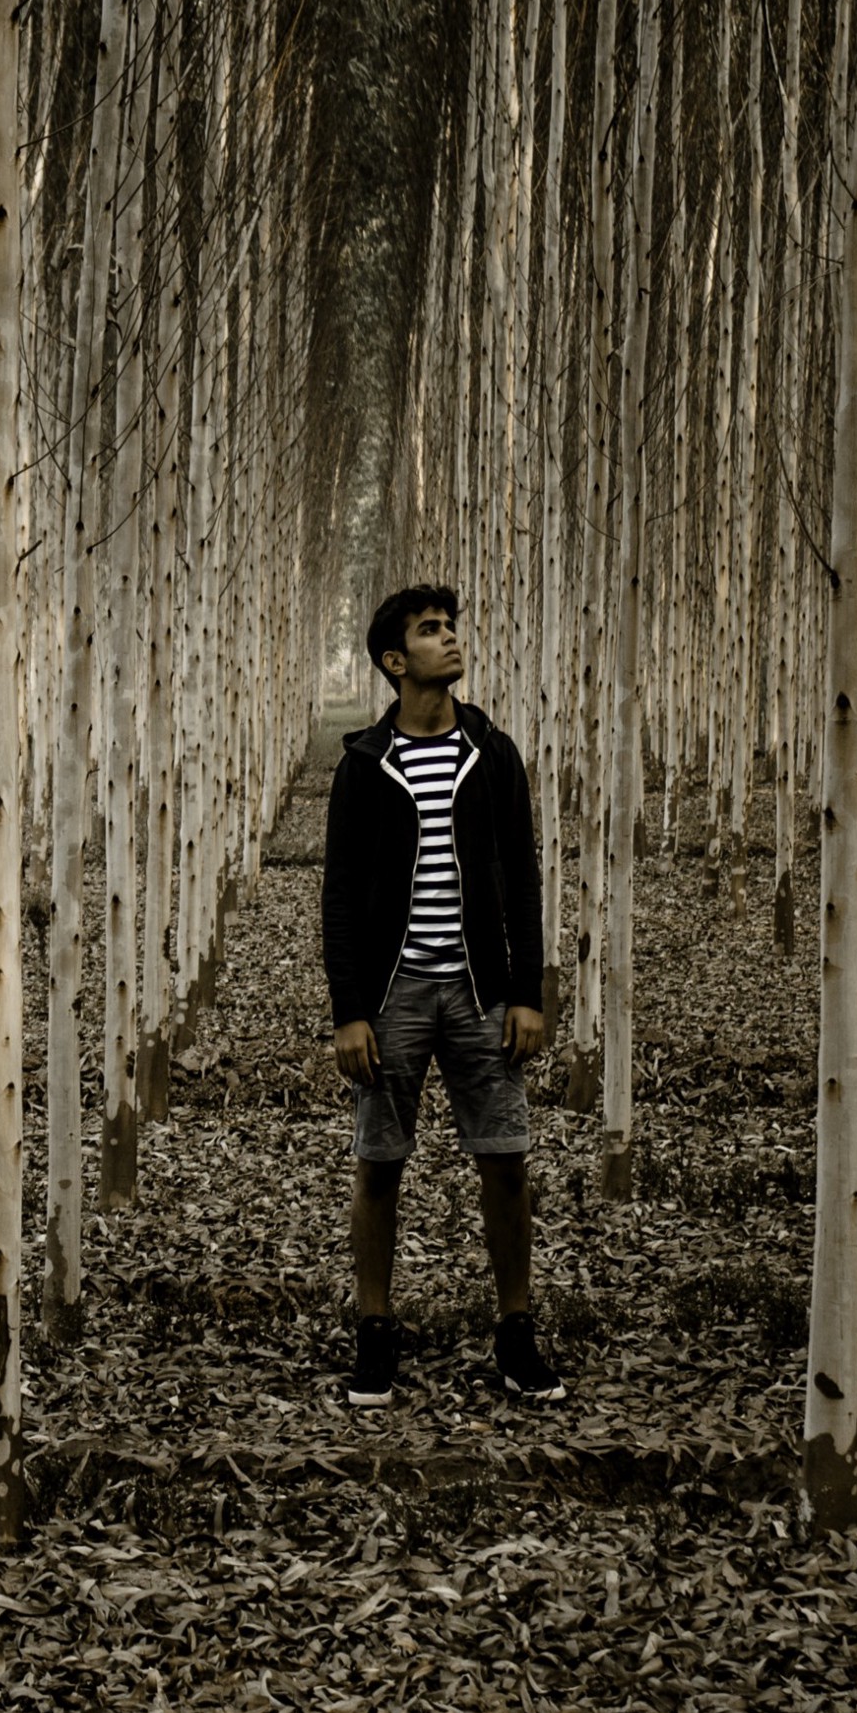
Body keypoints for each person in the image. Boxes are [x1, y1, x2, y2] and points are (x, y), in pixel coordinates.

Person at [321, 584, 563, 1407]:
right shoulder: (362, 766)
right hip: (392, 997)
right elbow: (341, 896)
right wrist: (349, 1010)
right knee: (379, 1163)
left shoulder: (492, 753)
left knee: (504, 1158)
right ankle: (375, 1334)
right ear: (395, 661)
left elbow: (522, 879)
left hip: (478, 992)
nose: (450, 638)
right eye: (430, 630)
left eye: (451, 626)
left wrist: (525, 992)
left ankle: (517, 1333)